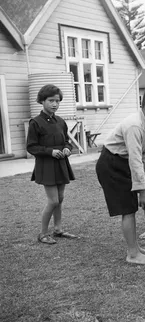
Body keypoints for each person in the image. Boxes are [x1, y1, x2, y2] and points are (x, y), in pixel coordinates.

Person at [96, 86, 145, 265]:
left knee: (131, 207)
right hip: (112, 164)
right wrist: (142, 190)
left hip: (124, 163)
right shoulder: (134, 125)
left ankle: (136, 248)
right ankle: (132, 254)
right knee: (128, 208)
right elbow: (135, 159)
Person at [27, 84, 77, 244]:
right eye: (50, 100)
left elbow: (67, 141)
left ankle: (58, 229)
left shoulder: (61, 121)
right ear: (42, 101)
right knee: (53, 200)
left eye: (57, 101)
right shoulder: (35, 122)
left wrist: (67, 148)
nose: (54, 104)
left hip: (61, 163)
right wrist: (50, 152)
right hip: (46, 165)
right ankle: (42, 233)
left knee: (60, 198)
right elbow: (31, 147)